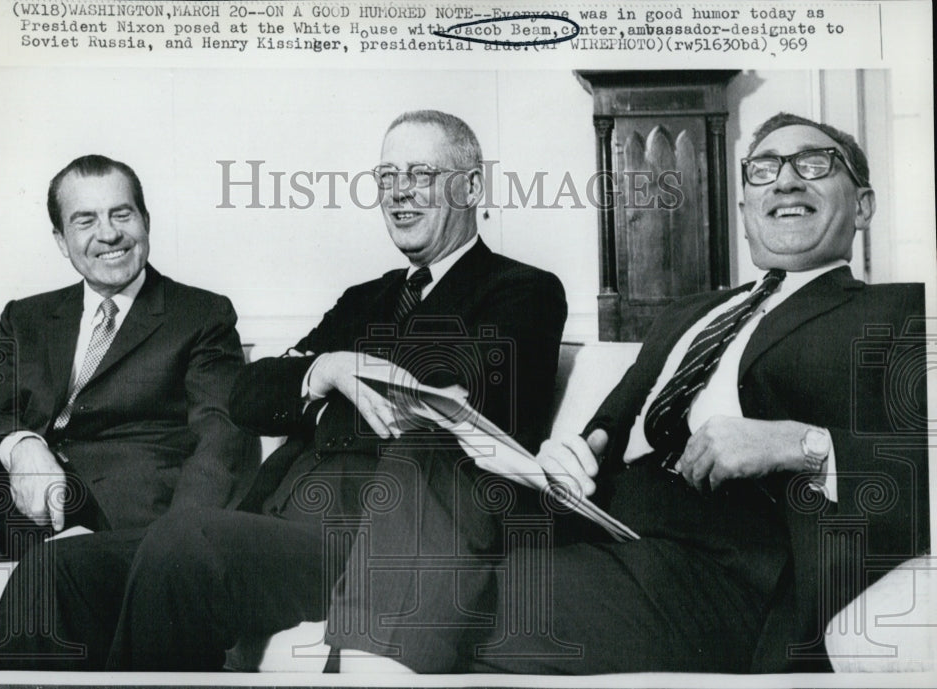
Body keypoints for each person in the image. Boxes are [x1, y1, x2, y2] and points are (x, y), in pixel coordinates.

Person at [327, 113, 929, 674]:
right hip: (592, 523)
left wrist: (802, 445)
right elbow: (608, 429)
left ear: (864, 205)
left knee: (418, 601)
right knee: (427, 461)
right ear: (745, 205)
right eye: (765, 170)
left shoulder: (901, 313)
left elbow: (925, 471)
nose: (786, 182)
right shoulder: (688, 313)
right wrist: (574, 454)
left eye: (815, 164)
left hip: (715, 564)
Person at [0, 110, 567, 671]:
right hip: (277, 522)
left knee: (188, 540)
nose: (399, 195)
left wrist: (326, 367)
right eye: (386, 179)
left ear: (471, 187)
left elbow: (451, 391)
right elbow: (249, 397)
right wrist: (327, 369)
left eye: (419, 175)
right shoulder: (365, 297)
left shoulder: (524, 290)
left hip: (375, 539)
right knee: (57, 569)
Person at [0, 154, 259, 669]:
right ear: (62, 241)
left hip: (140, 531)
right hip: (25, 521)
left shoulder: (200, 314)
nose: (108, 234)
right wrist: (25, 448)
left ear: (146, 223)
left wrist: (175, 548)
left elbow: (224, 434)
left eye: (121, 215)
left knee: (52, 580)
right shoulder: (28, 317)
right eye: (85, 220)